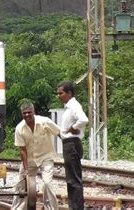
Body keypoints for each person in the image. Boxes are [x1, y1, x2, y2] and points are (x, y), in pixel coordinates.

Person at [11, 103, 60, 210]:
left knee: (47, 183)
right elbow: (22, 150)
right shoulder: (20, 128)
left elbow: (59, 132)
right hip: (29, 159)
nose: (27, 115)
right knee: (21, 184)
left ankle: (51, 208)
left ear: (34, 112)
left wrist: (69, 146)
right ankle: (18, 208)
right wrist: (26, 169)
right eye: (24, 113)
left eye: (29, 112)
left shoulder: (45, 121)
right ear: (22, 114)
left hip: (45, 157)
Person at [57, 81, 88, 210]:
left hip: (71, 144)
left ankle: (76, 208)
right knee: (72, 179)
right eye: (57, 93)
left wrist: (73, 128)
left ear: (69, 93)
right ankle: (74, 206)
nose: (58, 96)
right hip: (69, 144)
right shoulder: (69, 106)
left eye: (61, 93)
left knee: (73, 180)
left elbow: (84, 119)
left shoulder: (74, 106)